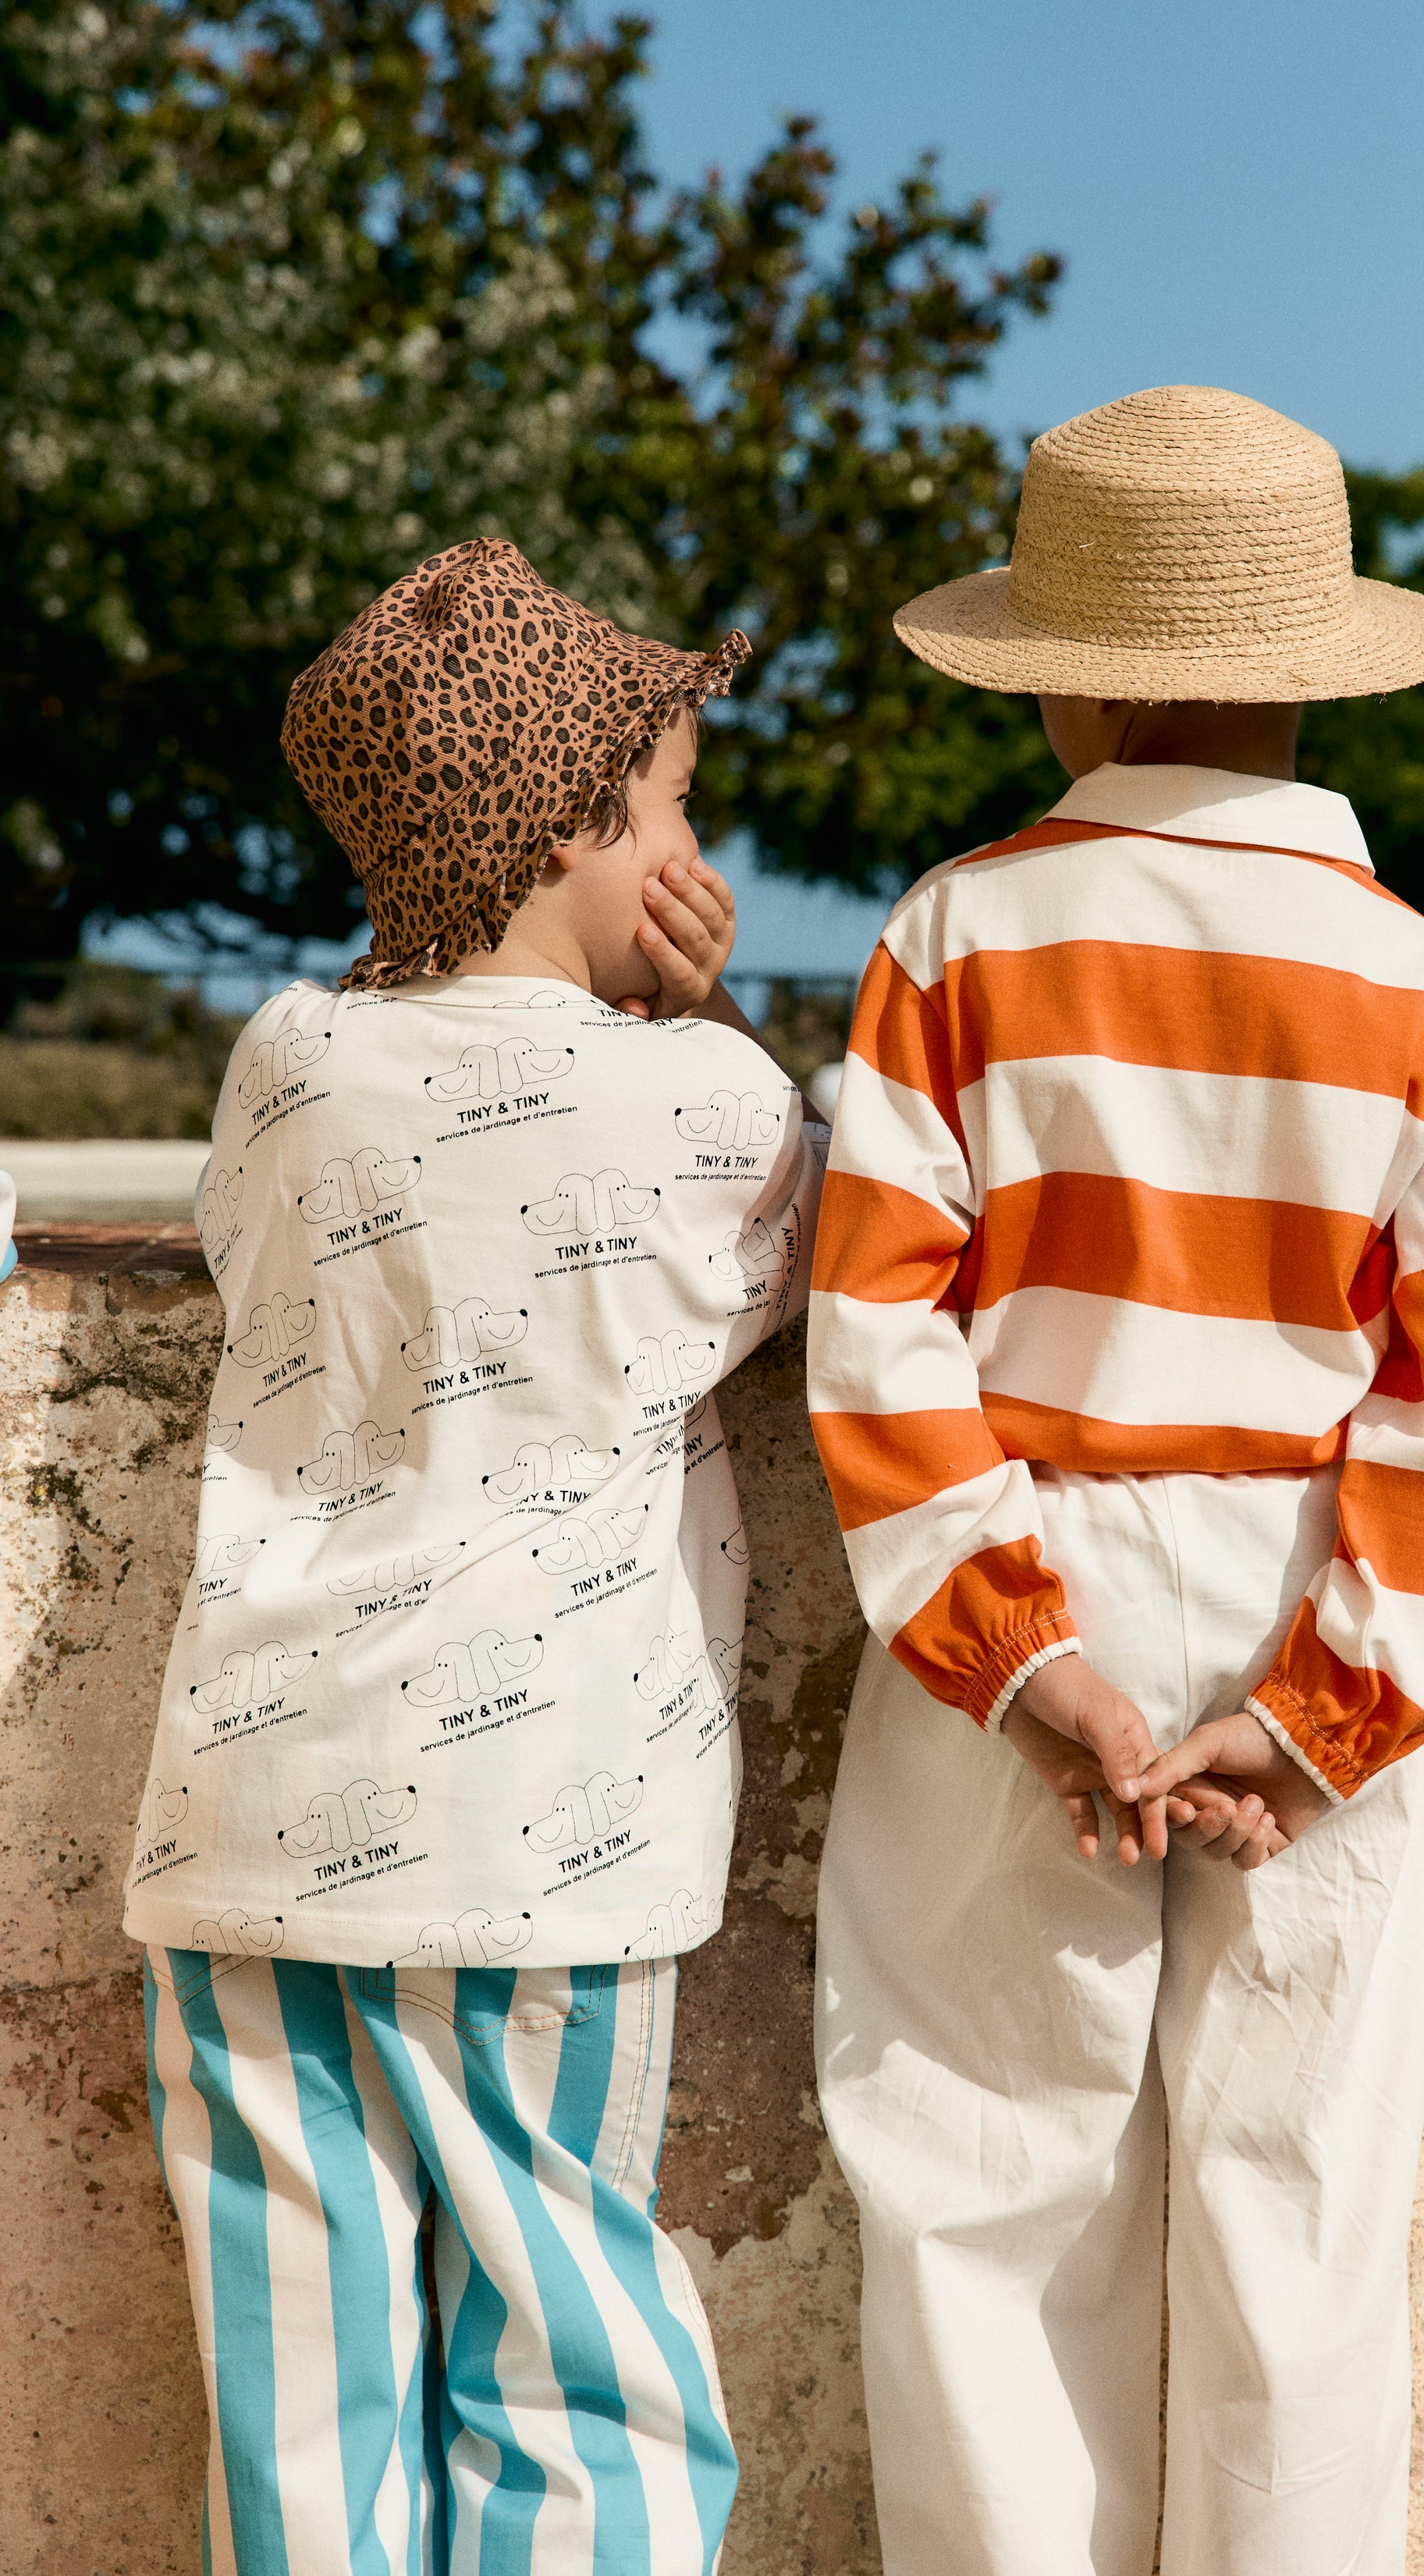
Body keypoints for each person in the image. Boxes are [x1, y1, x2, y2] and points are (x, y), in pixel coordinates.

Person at [808, 386, 1424, 2576]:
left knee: (983, 2174)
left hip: (1024, 1560)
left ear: (1082, 686)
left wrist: (1015, 1652)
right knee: (1300, 2201)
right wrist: (1330, 1709)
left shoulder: (954, 938)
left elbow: (876, 1328)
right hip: (1317, 1580)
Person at [124, 538, 826, 2576]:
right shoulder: (707, 1098)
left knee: (300, 2395)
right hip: (553, 1839)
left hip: (253, 1827)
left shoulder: (285, 1059)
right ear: (580, 826)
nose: (691, 854)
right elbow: (806, 1248)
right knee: (570, 2363)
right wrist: (694, 1009)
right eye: (671, 807)